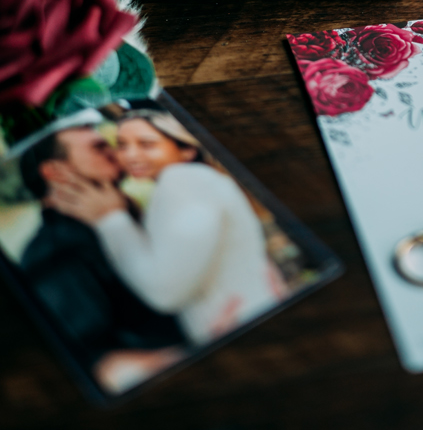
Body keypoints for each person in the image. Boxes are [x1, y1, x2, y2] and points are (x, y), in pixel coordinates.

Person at [46, 109, 286, 345]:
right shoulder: (186, 183)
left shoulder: (182, 181)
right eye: (121, 145)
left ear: (186, 149)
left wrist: (110, 219)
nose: (129, 156)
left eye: (147, 144)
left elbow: (165, 291)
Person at [19, 123, 186, 393]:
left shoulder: (127, 215)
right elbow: (99, 363)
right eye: (99, 148)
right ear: (55, 172)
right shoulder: (53, 251)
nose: (115, 152)